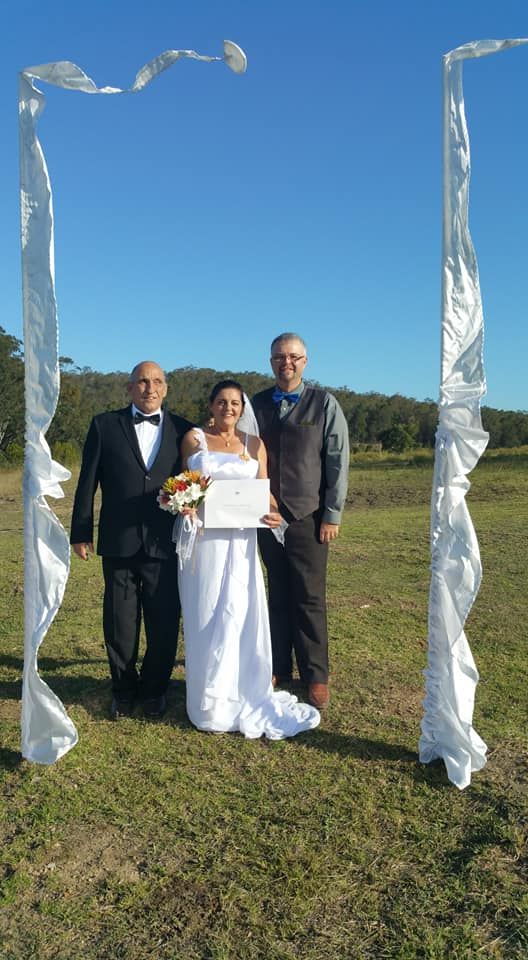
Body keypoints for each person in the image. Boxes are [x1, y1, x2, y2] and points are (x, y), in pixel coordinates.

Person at [177, 379, 320, 738]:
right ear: (211, 406)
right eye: (222, 402)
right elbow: (184, 484)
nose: (229, 409)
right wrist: (186, 507)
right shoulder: (194, 439)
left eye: (236, 404)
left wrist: (275, 514)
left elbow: (265, 492)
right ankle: (208, 699)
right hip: (207, 541)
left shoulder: (255, 445)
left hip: (240, 543)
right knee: (207, 611)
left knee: (239, 611)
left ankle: (243, 690)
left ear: (243, 409)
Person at [70, 361, 193, 721]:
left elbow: (198, 483)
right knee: (120, 622)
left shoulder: (184, 430)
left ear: (166, 388)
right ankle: (123, 691)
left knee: (164, 621)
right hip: (118, 540)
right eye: (142, 381)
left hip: (164, 543)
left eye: (156, 382)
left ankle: (154, 690)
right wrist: (81, 532)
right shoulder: (104, 425)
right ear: (129, 388)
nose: (149, 388)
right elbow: (87, 482)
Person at [253, 333, 350, 710]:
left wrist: (332, 514)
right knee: (275, 595)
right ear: (271, 361)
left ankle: (316, 675)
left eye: (293, 357)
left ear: (305, 361)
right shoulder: (256, 404)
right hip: (264, 518)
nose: (286, 363)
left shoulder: (324, 403)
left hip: (309, 518)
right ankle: (278, 667)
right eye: (279, 357)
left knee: (309, 598)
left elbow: (337, 462)